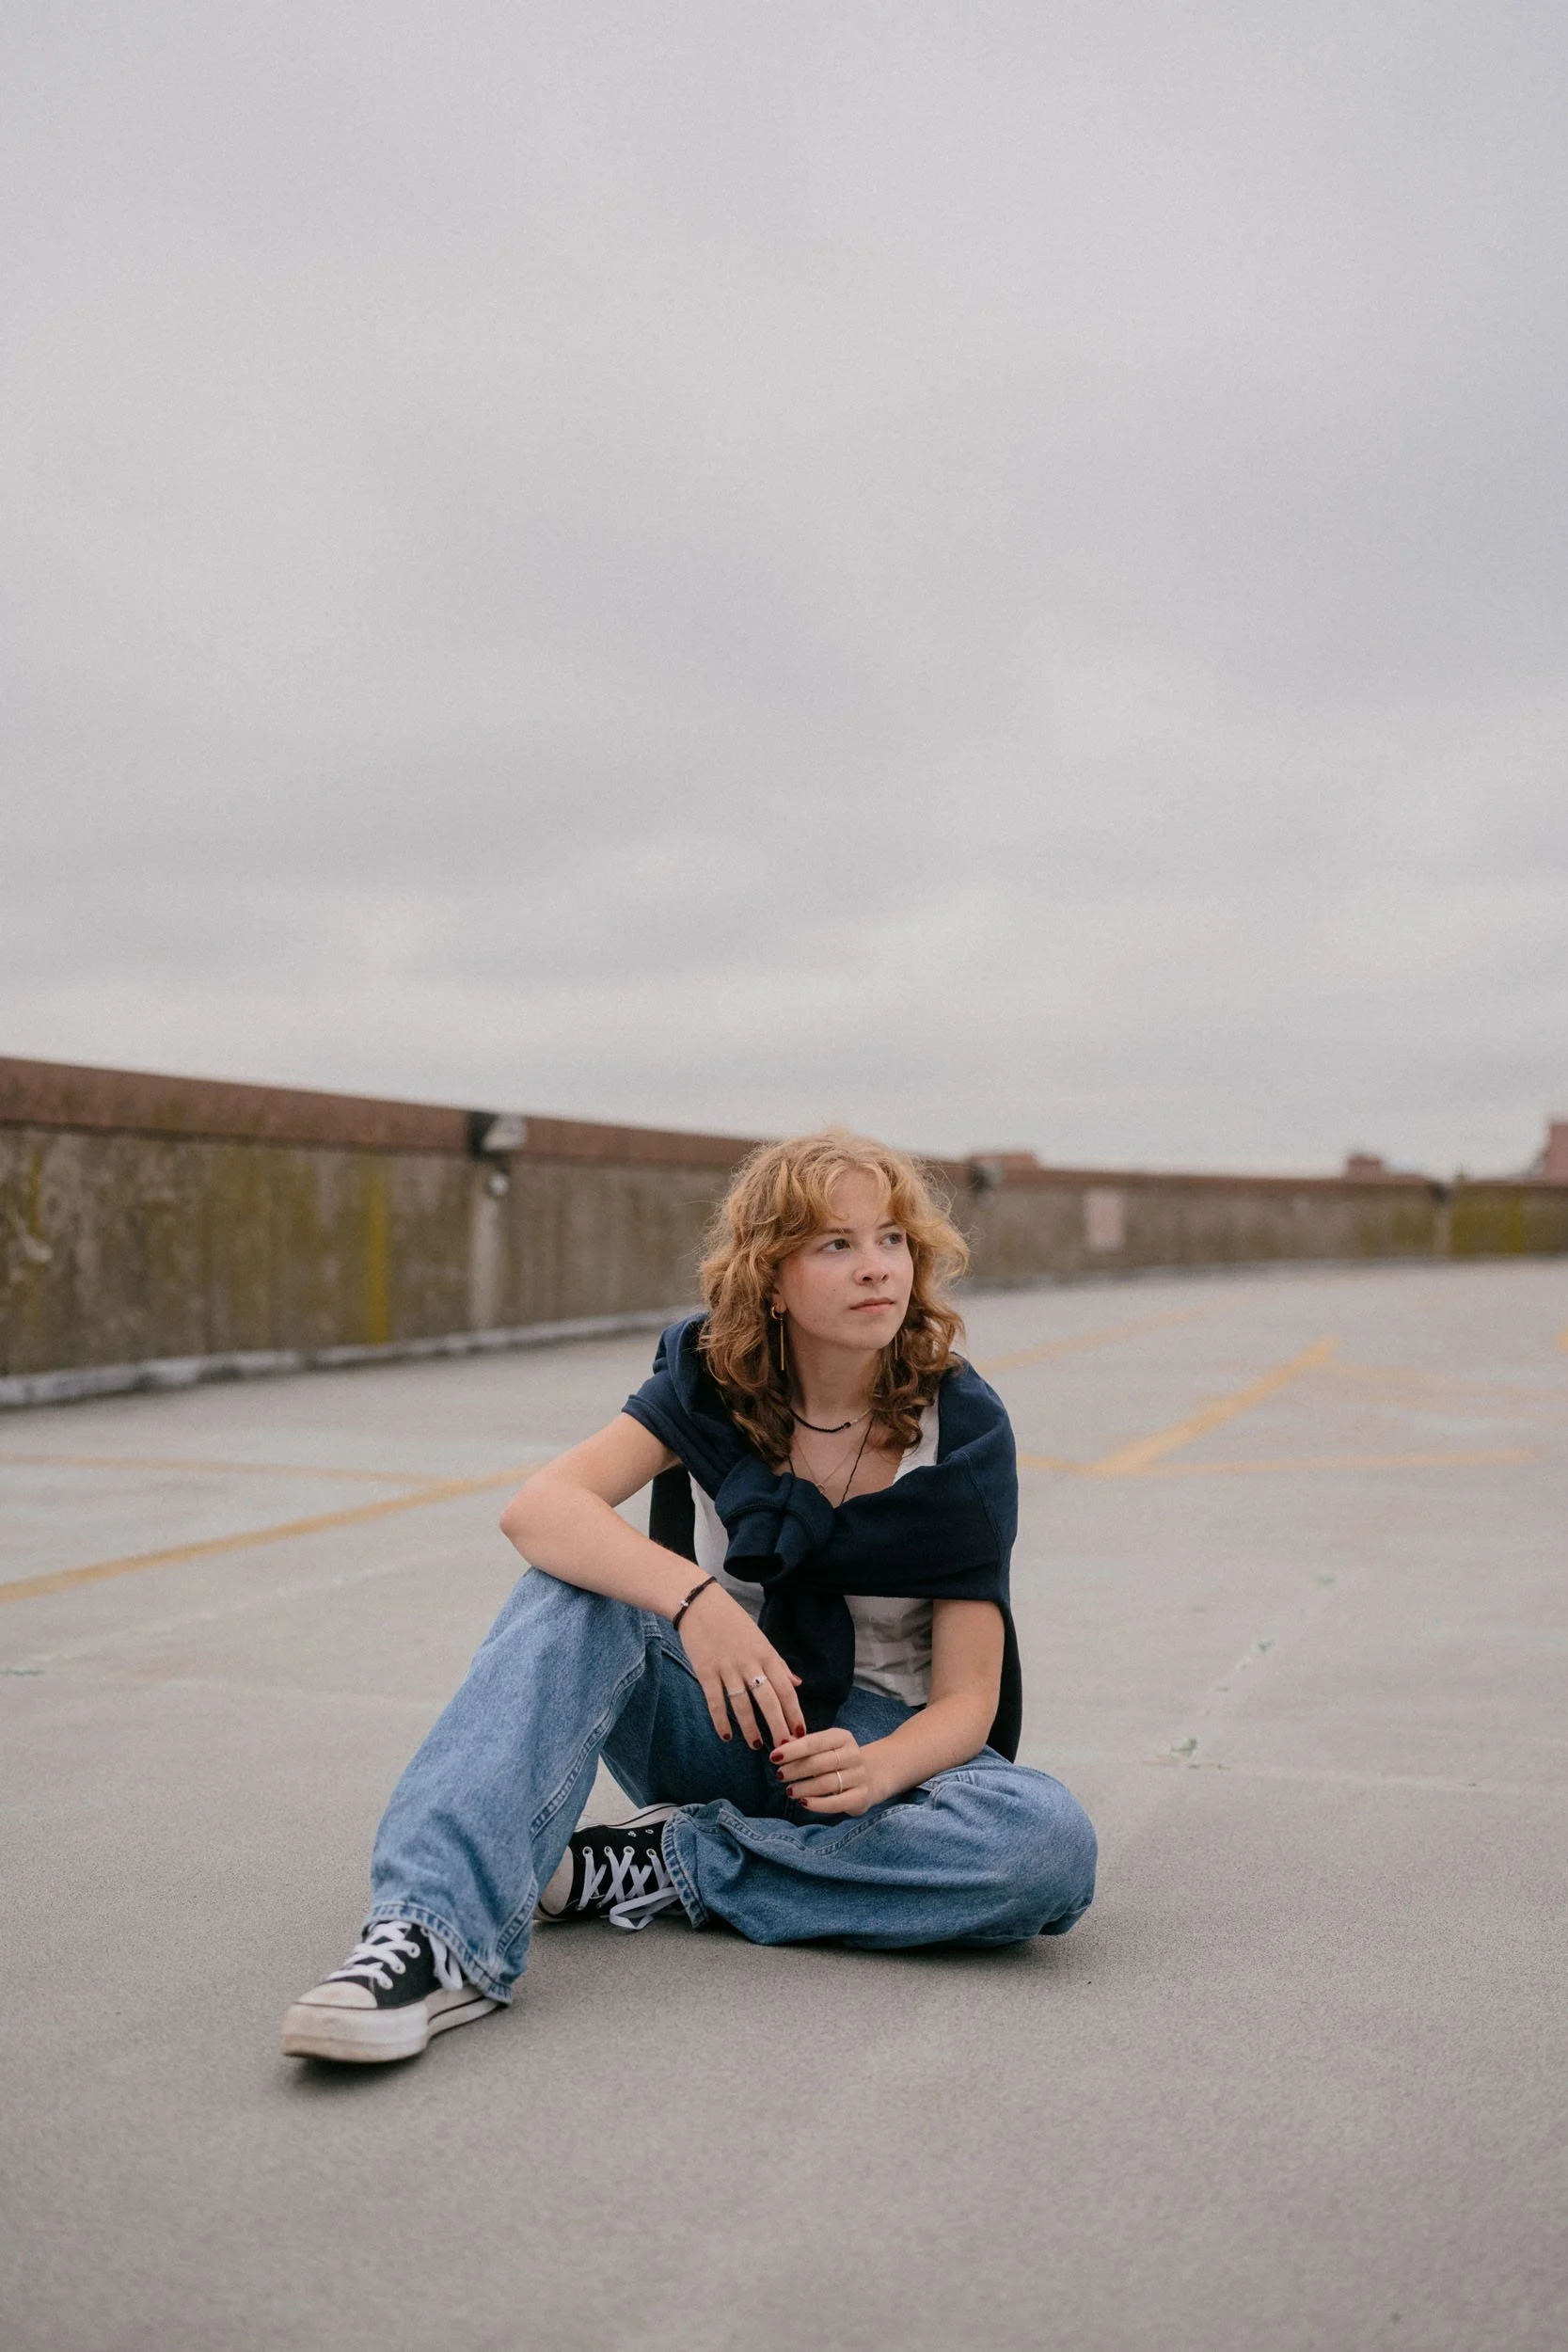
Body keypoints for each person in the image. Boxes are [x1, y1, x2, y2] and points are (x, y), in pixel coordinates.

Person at [282, 1131, 1097, 2064]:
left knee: (1045, 1848)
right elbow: (540, 1506)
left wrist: (878, 1770)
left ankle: (676, 1861)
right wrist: (694, 1600)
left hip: (873, 1754)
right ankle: (430, 1934)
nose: (875, 1268)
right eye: (835, 1244)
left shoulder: (960, 1428)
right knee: (579, 1580)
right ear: (770, 1277)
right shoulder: (711, 1383)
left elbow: (966, 1700)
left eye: (890, 1240)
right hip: (719, 1712)